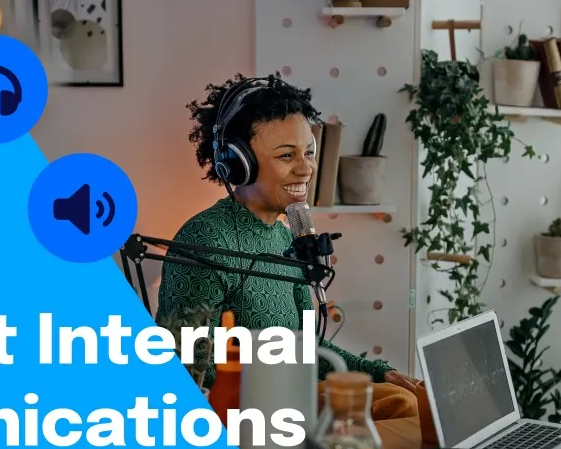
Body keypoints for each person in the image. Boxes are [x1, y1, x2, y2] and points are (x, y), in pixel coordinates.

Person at [156, 73, 423, 402]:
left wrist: (379, 373)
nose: (306, 169)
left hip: (292, 400)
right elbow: (188, 366)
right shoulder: (206, 239)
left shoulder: (287, 238)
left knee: (401, 399)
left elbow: (309, 344)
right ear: (240, 165)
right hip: (245, 420)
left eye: (308, 153)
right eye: (286, 156)